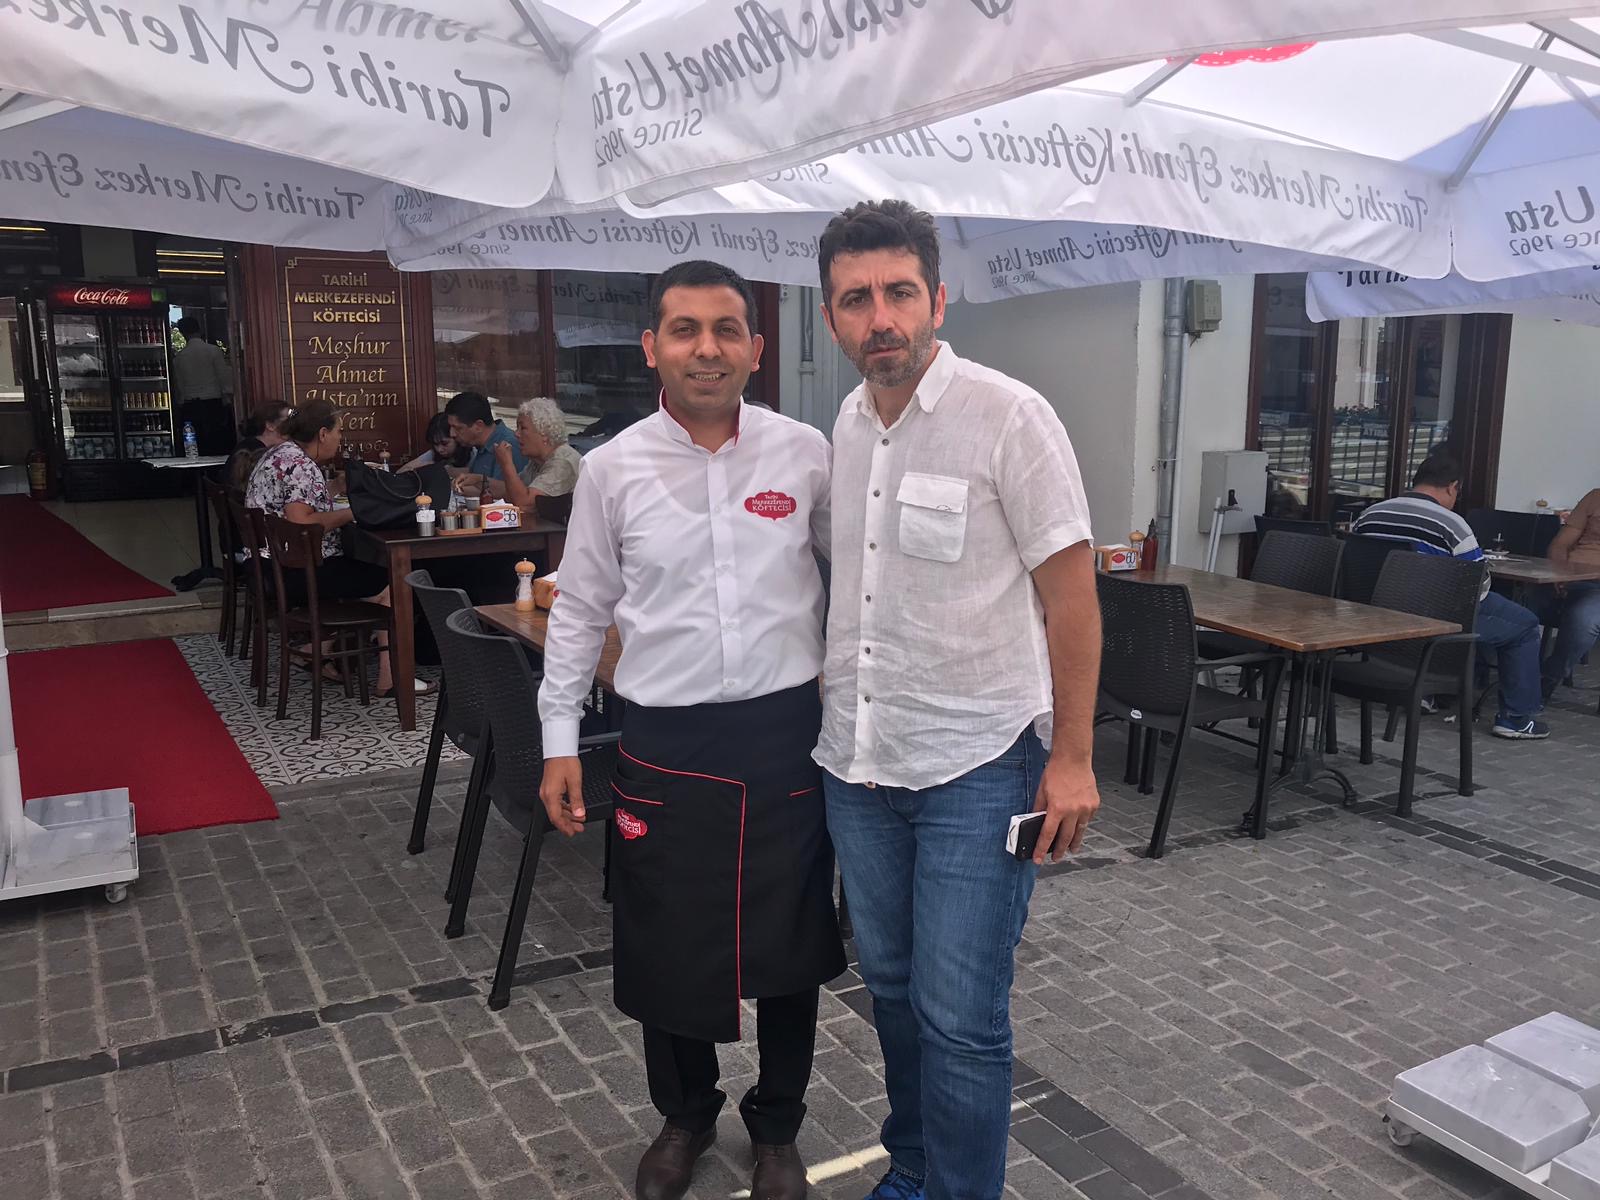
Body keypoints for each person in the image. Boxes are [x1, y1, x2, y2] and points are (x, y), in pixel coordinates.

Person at [813, 200, 1101, 1200]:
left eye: (899, 293)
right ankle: (915, 1171)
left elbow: (1073, 600)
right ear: (830, 316)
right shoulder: (847, 426)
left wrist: (1073, 758)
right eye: (856, 299)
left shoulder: (1009, 416)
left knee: (961, 1017)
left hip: (978, 765)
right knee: (893, 993)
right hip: (858, 765)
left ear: (937, 300)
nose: (880, 318)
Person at [538, 260, 842, 1200]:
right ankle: (684, 1115)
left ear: (755, 348)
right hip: (663, 744)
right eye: (684, 329)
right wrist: (558, 741)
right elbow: (579, 610)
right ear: (652, 348)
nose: (705, 348)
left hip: (786, 738)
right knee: (666, 943)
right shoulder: (612, 469)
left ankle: (778, 1125)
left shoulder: (806, 454)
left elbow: (860, 581)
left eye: (725, 329)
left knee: (790, 947)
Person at [1352, 452, 1550, 739]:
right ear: (1452, 486)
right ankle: (1516, 719)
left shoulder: (1371, 514)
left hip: (1376, 614)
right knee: (1525, 625)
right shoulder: (1451, 523)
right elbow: (1477, 586)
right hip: (1431, 620)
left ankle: (1427, 691)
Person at [244, 400, 431, 698]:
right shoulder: (301, 465)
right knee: (394, 582)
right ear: (322, 433)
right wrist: (354, 512)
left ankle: (315, 648)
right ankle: (392, 677)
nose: (340, 438)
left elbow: (295, 503)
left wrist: (334, 489)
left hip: (269, 565)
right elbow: (301, 523)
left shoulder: (280, 454)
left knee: (364, 572)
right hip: (294, 569)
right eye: (338, 432)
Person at [1538, 486, 1600, 698]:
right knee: (1514, 602)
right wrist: (1559, 573)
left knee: (1584, 618)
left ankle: (1547, 678)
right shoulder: (1595, 497)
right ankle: (1482, 673)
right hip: (1574, 579)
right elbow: (1560, 544)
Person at [481, 397, 582, 507]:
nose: (516, 434)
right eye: (517, 428)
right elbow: (511, 491)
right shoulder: (537, 461)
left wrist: (507, 464)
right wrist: (480, 480)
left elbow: (524, 503)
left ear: (544, 433)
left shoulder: (563, 462)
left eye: (523, 428)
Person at [171, 317, 235, 456]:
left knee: (195, 444)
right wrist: (228, 396)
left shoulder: (179, 357)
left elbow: (179, 385)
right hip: (213, 403)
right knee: (218, 444)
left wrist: (181, 403)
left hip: (190, 405)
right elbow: (223, 376)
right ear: (199, 330)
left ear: (182, 333)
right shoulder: (213, 351)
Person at [444, 390, 526, 484]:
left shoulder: (509, 446)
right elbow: (474, 477)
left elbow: (504, 490)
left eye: (458, 428)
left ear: (478, 426)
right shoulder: (482, 445)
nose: (452, 434)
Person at [225, 400, 289, 491]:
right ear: (270, 426)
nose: (293, 425)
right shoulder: (256, 455)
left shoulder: (249, 444)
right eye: (288, 421)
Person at [398, 412, 470, 472]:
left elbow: (475, 475)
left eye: (444, 443)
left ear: (456, 437)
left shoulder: (472, 453)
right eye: (435, 444)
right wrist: (423, 467)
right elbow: (400, 471)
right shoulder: (433, 453)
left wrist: (448, 470)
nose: (439, 449)